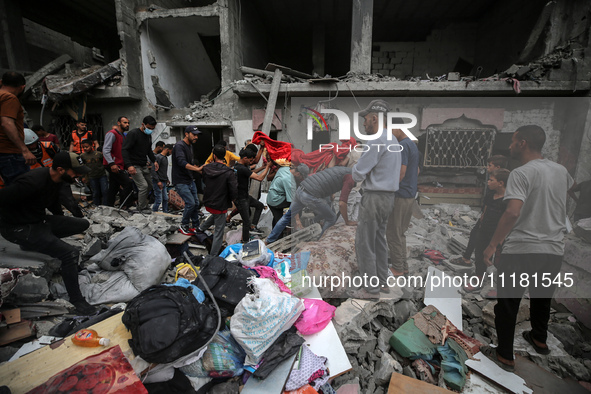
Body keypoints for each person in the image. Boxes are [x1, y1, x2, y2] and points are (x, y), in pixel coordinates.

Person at [481, 125, 573, 372]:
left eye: (512, 142)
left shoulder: (521, 173)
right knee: (542, 297)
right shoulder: (561, 171)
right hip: (553, 249)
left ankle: (504, 355)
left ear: (522, 143)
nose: (509, 146)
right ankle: (539, 340)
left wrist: (492, 244)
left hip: (522, 248)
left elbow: (512, 211)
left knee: (508, 302)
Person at [0, 151, 97, 315]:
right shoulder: (31, 182)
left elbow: (54, 204)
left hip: (38, 221)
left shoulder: (57, 181)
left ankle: (40, 242)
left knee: (82, 224)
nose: (78, 175)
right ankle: (77, 300)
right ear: (61, 169)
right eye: (75, 171)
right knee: (69, 253)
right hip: (19, 228)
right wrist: (14, 223)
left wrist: (61, 221)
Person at [352, 99, 401, 297]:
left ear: (374, 118)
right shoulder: (393, 140)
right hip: (388, 198)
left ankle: (370, 288)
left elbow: (358, 173)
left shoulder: (376, 140)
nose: (364, 124)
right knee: (379, 241)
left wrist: (353, 167)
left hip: (373, 198)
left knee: (365, 242)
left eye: (365, 120)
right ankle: (382, 282)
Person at [266, 165, 353, 244]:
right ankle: (320, 244)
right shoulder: (350, 177)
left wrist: (331, 194)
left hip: (301, 190)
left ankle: (268, 240)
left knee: (287, 217)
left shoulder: (341, 169)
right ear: (298, 173)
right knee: (331, 217)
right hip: (308, 195)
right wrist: (347, 221)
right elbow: (342, 203)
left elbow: (329, 179)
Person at [452, 155, 509, 266]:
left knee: (492, 245)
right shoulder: (492, 184)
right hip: (486, 219)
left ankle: (489, 267)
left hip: (496, 224)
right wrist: (483, 216)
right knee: (478, 239)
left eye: (490, 165)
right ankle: (473, 262)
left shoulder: (503, 193)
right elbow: (487, 203)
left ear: (497, 167)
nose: (487, 168)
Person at [463, 168, 510, 292]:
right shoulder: (490, 195)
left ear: (501, 183)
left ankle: (499, 285)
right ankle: (479, 277)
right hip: (484, 230)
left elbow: (508, 219)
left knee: (499, 260)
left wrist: (502, 237)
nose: (488, 182)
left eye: (491, 180)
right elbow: (485, 211)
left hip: (498, 233)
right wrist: (480, 225)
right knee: (480, 255)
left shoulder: (508, 199)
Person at [25, 128, 84, 218]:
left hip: (59, 178)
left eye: (34, 144)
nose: (33, 147)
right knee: (51, 204)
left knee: (69, 201)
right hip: (41, 183)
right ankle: (60, 220)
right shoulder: (21, 156)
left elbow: (62, 157)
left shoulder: (48, 146)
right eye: (30, 145)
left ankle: (80, 218)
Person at [386, 124, 420, 276]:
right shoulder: (412, 145)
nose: (389, 134)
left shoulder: (402, 146)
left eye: (390, 130)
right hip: (410, 195)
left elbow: (401, 172)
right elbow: (417, 170)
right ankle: (403, 266)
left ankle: (397, 268)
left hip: (400, 195)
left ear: (399, 128)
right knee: (401, 233)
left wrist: (388, 189)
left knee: (393, 233)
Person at [198, 145, 238, 255]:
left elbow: (205, 181)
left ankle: (201, 228)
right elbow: (233, 190)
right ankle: (213, 256)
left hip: (208, 202)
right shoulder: (229, 172)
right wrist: (234, 200)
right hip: (220, 204)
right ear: (224, 155)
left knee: (217, 216)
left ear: (214, 156)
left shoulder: (206, 168)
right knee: (219, 232)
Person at [0, 71, 35, 186]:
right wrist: (24, 150)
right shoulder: (9, 98)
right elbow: (7, 123)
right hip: (9, 153)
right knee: (21, 189)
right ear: (22, 87)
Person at [122, 115, 159, 212]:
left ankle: (143, 204)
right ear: (143, 124)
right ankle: (141, 208)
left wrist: (154, 160)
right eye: (149, 128)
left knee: (150, 185)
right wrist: (129, 166)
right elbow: (125, 150)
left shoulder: (148, 136)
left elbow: (149, 150)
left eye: (152, 129)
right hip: (134, 165)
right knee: (143, 186)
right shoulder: (133, 134)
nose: (150, 130)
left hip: (143, 164)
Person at [234, 147, 271, 242]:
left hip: (244, 196)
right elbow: (259, 178)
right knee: (246, 221)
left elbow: (251, 173)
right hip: (241, 198)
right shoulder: (242, 168)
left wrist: (262, 167)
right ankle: (245, 242)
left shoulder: (238, 166)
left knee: (259, 205)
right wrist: (267, 167)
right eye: (250, 160)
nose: (251, 162)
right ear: (245, 158)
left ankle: (253, 226)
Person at [172, 126, 202, 235]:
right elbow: (182, 162)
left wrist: (199, 171)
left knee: (196, 203)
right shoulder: (180, 146)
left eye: (197, 135)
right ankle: (184, 225)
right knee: (190, 203)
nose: (196, 137)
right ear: (186, 134)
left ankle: (196, 226)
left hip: (190, 179)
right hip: (181, 180)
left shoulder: (190, 146)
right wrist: (197, 169)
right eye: (194, 134)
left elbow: (190, 163)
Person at [103, 116, 133, 207]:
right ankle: (126, 205)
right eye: (125, 122)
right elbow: (106, 149)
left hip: (118, 164)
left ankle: (109, 206)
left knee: (114, 186)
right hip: (113, 165)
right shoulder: (112, 134)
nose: (127, 125)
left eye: (128, 123)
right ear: (119, 123)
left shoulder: (122, 136)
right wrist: (112, 163)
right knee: (127, 183)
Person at [267, 163, 309, 227]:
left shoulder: (284, 169)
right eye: (302, 177)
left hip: (271, 197)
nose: (301, 179)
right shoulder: (290, 182)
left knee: (278, 220)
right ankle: (293, 223)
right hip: (276, 201)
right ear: (298, 174)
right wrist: (298, 220)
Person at [81, 139, 108, 206]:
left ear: (91, 146)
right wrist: (83, 177)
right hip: (92, 176)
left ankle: (105, 205)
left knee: (105, 191)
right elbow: (82, 167)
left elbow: (104, 163)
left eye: (87, 147)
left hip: (102, 175)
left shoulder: (98, 154)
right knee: (95, 192)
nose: (85, 148)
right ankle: (96, 205)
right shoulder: (82, 156)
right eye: (83, 147)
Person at [152, 144, 173, 213]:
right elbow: (153, 170)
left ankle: (165, 212)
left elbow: (163, 170)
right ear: (167, 150)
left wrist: (166, 178)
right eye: (170, 152)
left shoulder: (165, 158)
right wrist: (158, 181)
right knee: (159, 199)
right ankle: (154, 212)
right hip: (158, 181)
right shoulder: (158, 157)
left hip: (163, 181)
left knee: (165, 198)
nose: (170, 154)